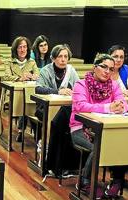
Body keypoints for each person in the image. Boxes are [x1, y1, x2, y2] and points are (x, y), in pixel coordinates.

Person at [71, 54, 128, 199]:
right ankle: (84, 182)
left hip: (106, 129)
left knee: (123, 144)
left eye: (111, 68)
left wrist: (121, 107)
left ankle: (117, 181)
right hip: (80, 128)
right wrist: (108, 107)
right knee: (98, 147)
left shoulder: (114, 85)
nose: (107, 71)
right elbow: (81, 106)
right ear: (94, 67)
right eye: (103, 67)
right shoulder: (81, 84)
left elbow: (124, 103)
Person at [35, 44, 80, 177]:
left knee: (68, 124)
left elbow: (79, 88)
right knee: (54, 121)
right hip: (45, 107)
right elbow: (38, 89)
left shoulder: (71, 71)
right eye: (60, 56)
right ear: (53, 58)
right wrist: (58, 91)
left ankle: (65, 162)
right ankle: (46, 152)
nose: (63, 59)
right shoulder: (45, 70)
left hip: (64, 109)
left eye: (66, 56)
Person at [3, 36, 40, 142]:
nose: (23, 50)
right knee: (24, 105)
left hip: (28, 92)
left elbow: (38, 75)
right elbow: (6, 77)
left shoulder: (31, 62)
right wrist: (20, 78)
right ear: (15, 49)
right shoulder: (9, 62)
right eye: (20, 47)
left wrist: (33, 77)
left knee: (29, 104)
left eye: (25, 47)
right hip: (12, 94)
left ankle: (32, 132)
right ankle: (22, 131)